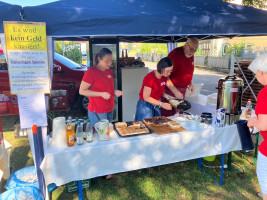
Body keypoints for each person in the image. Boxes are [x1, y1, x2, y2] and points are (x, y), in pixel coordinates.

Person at [79, 48, 123, 128]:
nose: (110, 63)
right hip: (98, 110)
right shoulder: (91, 72)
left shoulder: (109, 71)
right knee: (101, 135)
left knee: (107, 133)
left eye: (111, 60)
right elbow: (82, 91)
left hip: (110, 108)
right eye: (107, 61)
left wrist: (114, 91)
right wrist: (101, 94)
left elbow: (106, 89)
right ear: (99, 59)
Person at [161, 37, 199, 117]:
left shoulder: (190, 55)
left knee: (179, 116)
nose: (193, 52)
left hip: (182, 90)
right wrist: (175, 91)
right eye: (192, 49)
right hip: (171, 90)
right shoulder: (174, 54)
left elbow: (186, 72)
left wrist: (190, 83)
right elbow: (164, 75)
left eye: (195, 50)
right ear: (186, 45)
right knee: (169, 117)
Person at [247, 54, 267, 200]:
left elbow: (263, 125)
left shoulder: (264, 93)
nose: (256, 77)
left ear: (260, 71)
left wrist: (253, 121)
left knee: (264, 175)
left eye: (255, 74)